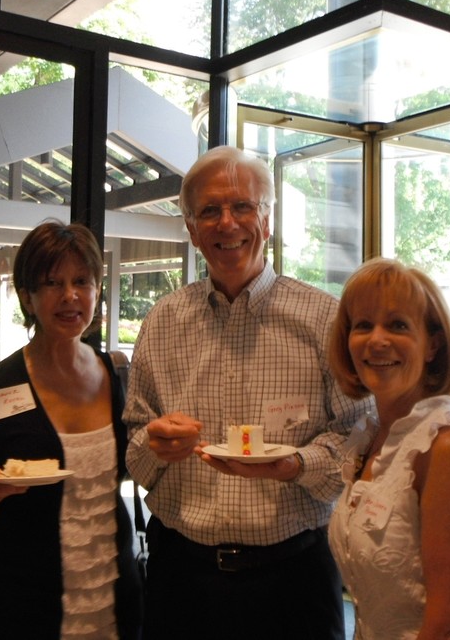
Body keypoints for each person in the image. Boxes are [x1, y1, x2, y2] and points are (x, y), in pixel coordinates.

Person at [123, 145, 374, 639]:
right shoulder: (162, 322)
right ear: (191, 229)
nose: (227, 223)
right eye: (209, 211)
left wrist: (296, 465)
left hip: (293, 582)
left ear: (268, 220)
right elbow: (135, 444)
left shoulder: (324, 319)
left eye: (243, 206)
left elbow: (359, 439)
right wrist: (154, 445)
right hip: (181, 578)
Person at [0, 220, 142, 640]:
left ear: (97, 290)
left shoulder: (114, 372)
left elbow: (125, 469)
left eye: (82, 281)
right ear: (27, 297)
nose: (70, 295)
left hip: (113, 602)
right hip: (25, 610)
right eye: (52, 282)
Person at [326, 258, 450, 640]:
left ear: (433, 345)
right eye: (363, 325)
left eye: (397, 325)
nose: (377, 340)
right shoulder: (373, 441)